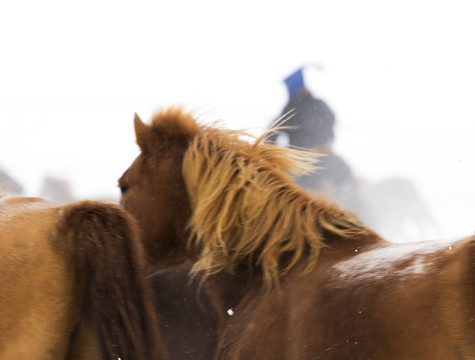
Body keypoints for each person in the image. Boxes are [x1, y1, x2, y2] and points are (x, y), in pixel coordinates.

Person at [267, 67, 363, 211]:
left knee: (274, 192)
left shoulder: (292, 106)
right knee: (348, 182)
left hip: (298, 161)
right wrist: (325, 143)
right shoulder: (320, 104)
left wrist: (273, 155)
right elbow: (331, 120)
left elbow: (272, 133)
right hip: (325, 155)